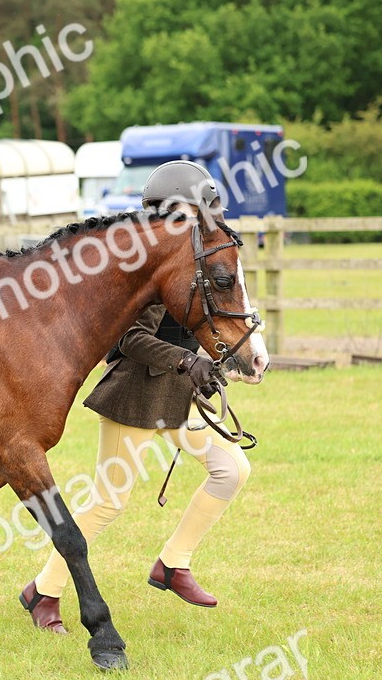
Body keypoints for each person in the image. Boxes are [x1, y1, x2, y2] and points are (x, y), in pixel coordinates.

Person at [19, 160, 252, 633]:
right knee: (109, 500)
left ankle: (173, 563)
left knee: (231, 469)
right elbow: (128, 340)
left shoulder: (192, 255)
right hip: (138, 393)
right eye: (199, 211)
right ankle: (44, 590)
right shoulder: (144, 263)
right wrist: (188, 362)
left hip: (177, 394)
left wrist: (213, 360)